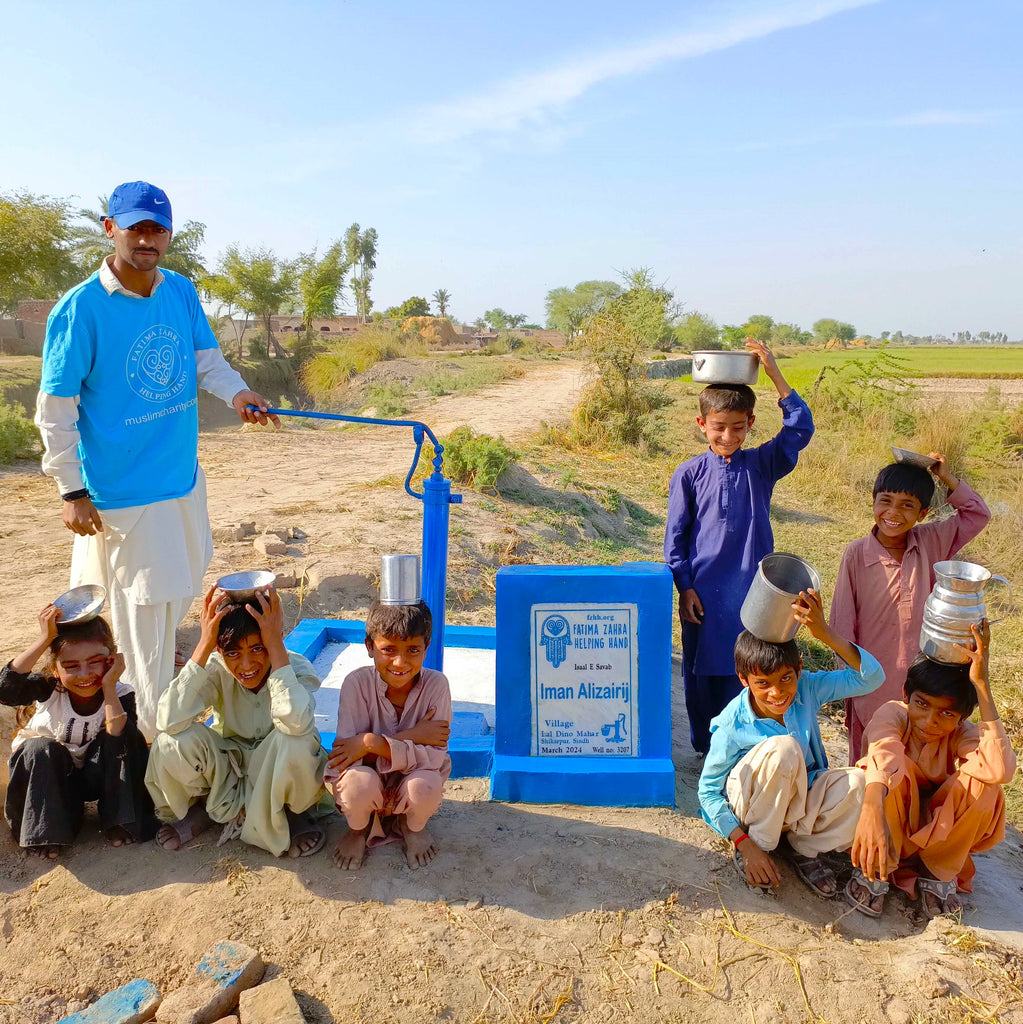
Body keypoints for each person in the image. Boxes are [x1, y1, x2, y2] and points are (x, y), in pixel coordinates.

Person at [34, 180, 280, 741]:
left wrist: (238, 393)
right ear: (110, 229)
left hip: (181, 486)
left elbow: (207, 361)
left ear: (169, 234)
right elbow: (56, 410)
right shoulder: (81, 309)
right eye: (136, 228)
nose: (147, 239)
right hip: (125, 499)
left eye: (157, 229)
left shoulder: (179, 292)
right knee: (140, 626)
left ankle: (159, 718)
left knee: (173, 606)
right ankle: (148, 745)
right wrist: (71, 490)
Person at [664, 339, 815, 754]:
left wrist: (774, 373)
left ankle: (750, 747)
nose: (727, 435)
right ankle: (708, 748)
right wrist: (685, 588)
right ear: (702, 424)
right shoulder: (689, 473)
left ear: (750, 424)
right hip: (703, 594)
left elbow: (800, 429)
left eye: (737, 427)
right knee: (702, 671)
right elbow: (675, 540)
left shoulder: (762, 465)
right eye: (718, 427)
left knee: (751, 668)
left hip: (754, 592)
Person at [698, 589, 884, 897]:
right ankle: (762, 846)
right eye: (763, 684)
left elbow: (871, 678)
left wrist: (825, 634)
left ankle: (803, 847)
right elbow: (707, 792)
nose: (777, 693)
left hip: (799, 802)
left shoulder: (808, 688)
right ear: (744, 680)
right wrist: (744, 844)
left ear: (799, 668)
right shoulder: (732, 723)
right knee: (783, 748)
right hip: (753, 814)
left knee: (860, 783)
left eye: (786, 678)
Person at [847, 622, 1016, 919]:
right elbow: (883, 754)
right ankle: (876, 866)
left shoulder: (962, 732)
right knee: (879, 774)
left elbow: (999, 769)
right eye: (922, 704)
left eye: (946, 713)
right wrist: (872, 808)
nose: (929, 721)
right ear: (906, 695)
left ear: (963, 716)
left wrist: (982, 685)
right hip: (887, 825)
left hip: (938, 834)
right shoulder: (894, 714)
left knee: (986, 785)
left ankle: (938, 870)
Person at [145, 586, 329, 858]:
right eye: (232, 653)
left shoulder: (295, 668)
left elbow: (296, 722)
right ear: (219, 650)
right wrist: (204, 644)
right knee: (170, 741)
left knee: (297, 739)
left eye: (258, 648)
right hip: (228, 770)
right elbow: (168, 720)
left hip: (276, 770)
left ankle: (293, 812)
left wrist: (275, 646)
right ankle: (203, 808)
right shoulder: (216, 668)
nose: (246, 665)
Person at [828, 456, 990, 763]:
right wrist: (849, 680)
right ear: (873, 501)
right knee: (871, 761)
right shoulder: (856, 554)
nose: (893, 513)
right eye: (885, 501)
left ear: (922, 513)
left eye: (907, 505)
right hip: (872, 681)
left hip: (924, 684)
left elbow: (978, 514)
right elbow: (842, 623)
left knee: (918, 762)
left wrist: (946, 477)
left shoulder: (931, 541)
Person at [2, 604, 156, 859]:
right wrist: (45, 639)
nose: (84, 675)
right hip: (49, 782)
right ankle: (46, 831)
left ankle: (121, 821)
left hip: (94, 777)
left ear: (112, 660)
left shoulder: (120, 693)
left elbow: (120, 738)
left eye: (95, 662)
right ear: (55, 669)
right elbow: (5, 690)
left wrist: (109, 685)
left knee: (127, 734)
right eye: (71, 666)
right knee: (40, 748)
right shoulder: (50, 689)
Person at [326, 600, 451, 870]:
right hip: (369, 784)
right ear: (369, 646)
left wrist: (370, 743)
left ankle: (412, 826)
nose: (400, 662)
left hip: (412, 780)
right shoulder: (356, 684)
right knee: (357, 783)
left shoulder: (437, 686)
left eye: (413, 650)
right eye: (388, 649)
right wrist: (415, 735)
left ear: (427, 647)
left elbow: (434, 758)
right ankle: (358, 830)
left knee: (425, 785)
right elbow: (347, 758)